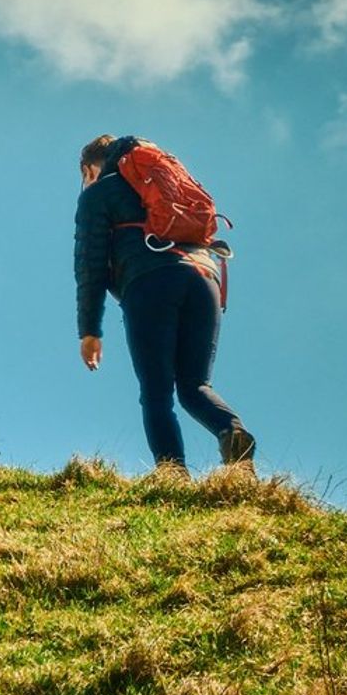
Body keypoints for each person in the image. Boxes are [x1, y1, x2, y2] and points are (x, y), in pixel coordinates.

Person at [74, 134, 255, 473]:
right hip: (204, 277)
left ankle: (172, 475)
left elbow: (90, 264)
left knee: (156, 391)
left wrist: (89, 330)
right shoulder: (166, 181)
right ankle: (232, 431)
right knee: (195, 386)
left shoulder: (99, 192)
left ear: (88, 168)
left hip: (151, 280)